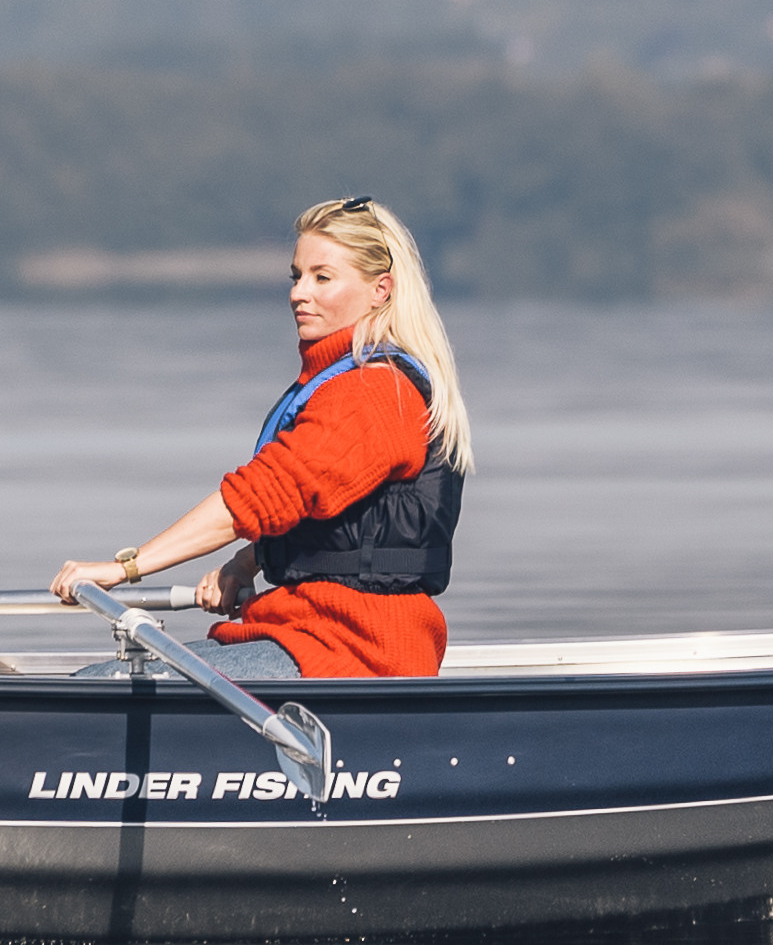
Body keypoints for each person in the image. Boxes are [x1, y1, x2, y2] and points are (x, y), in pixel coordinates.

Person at [53, 195, 473, 681]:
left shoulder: (373, 392)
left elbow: (261, 496)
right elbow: (326, 510)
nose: (299, 293)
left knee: (99, 684)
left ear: (381, 290)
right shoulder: (343, 382)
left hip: (353, 649)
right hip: (307, 631)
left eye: (322, 278)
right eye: (297, 276)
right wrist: (247, 562)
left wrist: (127, 568)